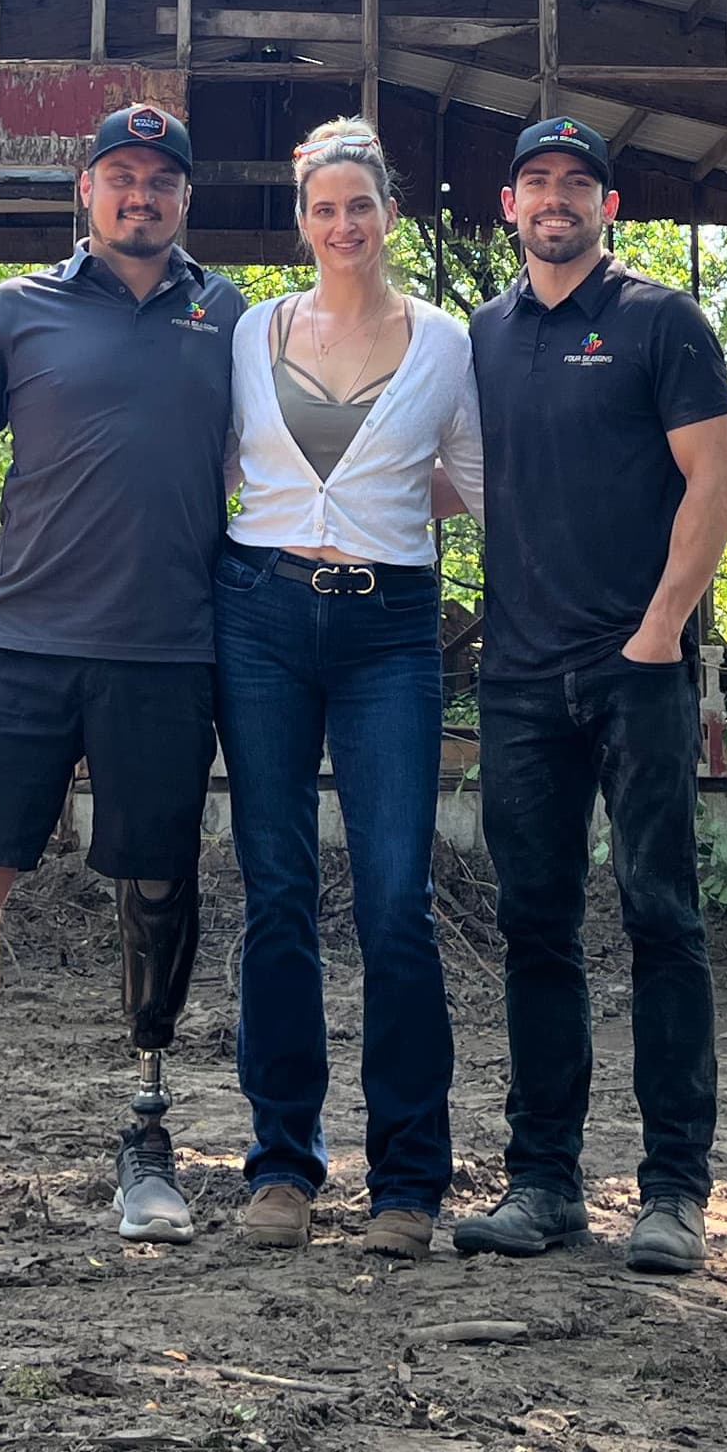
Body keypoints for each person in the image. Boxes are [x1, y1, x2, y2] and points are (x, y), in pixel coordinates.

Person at [0, 102, 235, 1241]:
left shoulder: (234, 316)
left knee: (156, 891)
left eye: (161, 179)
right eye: (119, 175)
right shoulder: (15, 312)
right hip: (17, 646)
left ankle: (148, 1138)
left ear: (185, 200)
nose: (140, 195)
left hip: (169, 653)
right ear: (85, 191)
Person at [450, 115, 727, 1278]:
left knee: (662, 918)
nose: (556, 198)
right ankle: (544, 1184)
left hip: (641, 671)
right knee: (535, 931)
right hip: (519, 680)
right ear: (509, 207)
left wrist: (658, 635)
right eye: (536, 183)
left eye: (578, 182)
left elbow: (713, 480)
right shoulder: (478, 336)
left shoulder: (660, 321)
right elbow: (451, 479)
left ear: (608, 207)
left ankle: (674, 1191)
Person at [216, 117, 484, 1262]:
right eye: (322, 209)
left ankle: (410, 1183)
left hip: (389, 631)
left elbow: (472, 480)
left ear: (388, 215)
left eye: (359, 207)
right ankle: (283, 1167)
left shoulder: (447, 342)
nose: (341, 226)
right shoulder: (247, 332)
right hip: (262, 617)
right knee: (274, 891)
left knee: (392, 901)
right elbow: (226, 459)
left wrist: (370, 510)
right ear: (302, 219)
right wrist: (297, 519)